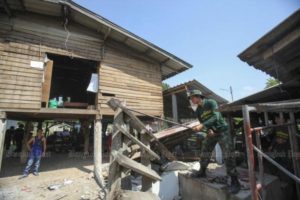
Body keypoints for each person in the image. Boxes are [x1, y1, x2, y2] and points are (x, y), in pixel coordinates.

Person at [189, 89, 241, 194]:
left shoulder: (211, 102)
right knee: (205, 151)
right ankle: (202, 171)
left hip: (222, 131)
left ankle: (235, 181)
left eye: (192, 97)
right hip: (212, 133)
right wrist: (208, 130)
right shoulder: (198, 111)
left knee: (228, 154)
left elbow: (216, 116)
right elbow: (203, 122)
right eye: (190, 98)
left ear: (199, 96)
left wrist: (202, 126)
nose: (191, 99)